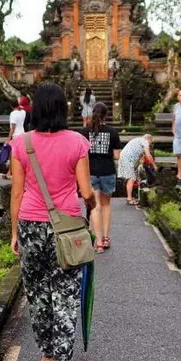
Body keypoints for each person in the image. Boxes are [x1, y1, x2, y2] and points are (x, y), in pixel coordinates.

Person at [9, 83, 95, 361]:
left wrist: (14, 233)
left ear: (36, 110)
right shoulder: (77, 142)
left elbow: (16, 193)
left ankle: (46, 356)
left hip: (31, 225)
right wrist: (92, 205)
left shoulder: (22, 143)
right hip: (67, 230)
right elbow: (86, 191)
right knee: (66, 295)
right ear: (62, 109)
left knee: (38, 293)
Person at [80, 102, 122, 252]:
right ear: (106, 115)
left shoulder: (84, 132)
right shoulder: (112, 132)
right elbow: (117, 156)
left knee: (95, 206)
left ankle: (98, 243)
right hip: (108, 171)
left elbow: (81, 155)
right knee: (106, 205)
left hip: (90, 172)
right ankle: (106, 238)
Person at [117, 134, 154, 205]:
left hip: (124, 157)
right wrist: (155, 166)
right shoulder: (144, 141)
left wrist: (137, 174)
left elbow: (138, 160)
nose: (150, 145)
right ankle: (129, 199)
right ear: (148, 139)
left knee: (131, 178)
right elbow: (148, 155)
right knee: (131, 178)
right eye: (151, 143)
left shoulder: (137, 141)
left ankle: (130, 197)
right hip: (127, 159)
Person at [3, 99, 28, 180]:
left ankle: (10, 172)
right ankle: (10, 172)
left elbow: (13, 127)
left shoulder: (13, 114)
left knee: (12, 155)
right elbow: (22, 108)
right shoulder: (23, 112)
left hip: (16, 135)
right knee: (20, 154)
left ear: (11, 106)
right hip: (22, 134)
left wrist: (8, 138)